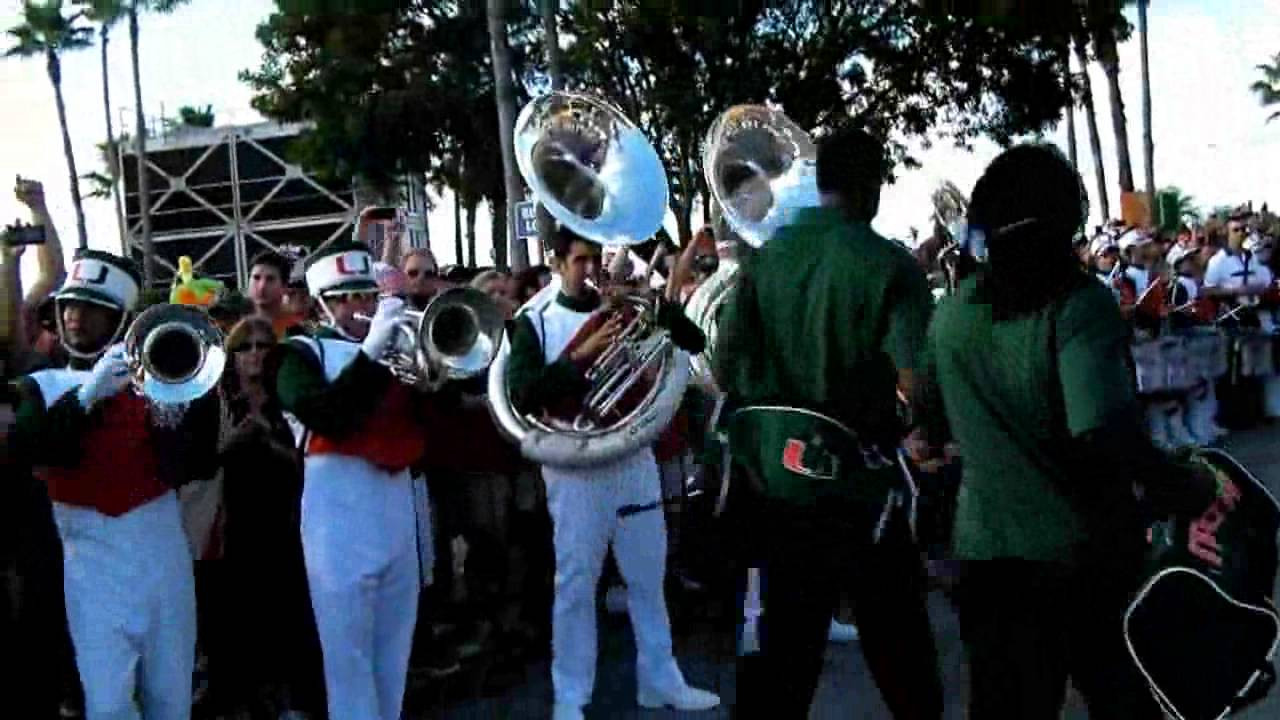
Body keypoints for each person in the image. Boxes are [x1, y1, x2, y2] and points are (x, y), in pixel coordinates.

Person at [915, 144, 1219, 719]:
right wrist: (1186, 487)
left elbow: (928, 421)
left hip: (984, 558)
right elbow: (1102, 431)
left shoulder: (951, 312)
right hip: (1081, 558)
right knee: (1125, 701)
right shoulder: (1079, 306)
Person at [715, 127, 942, 719]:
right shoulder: (888, 263)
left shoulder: (763, 262)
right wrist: (922, 426)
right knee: (903, 658)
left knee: (783, 661)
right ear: (871, 187)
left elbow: (725, 368)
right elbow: (917, 383)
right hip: (859, 489)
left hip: (779, 491)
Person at [505, 227, 719, 720]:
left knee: (648, 575)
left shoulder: (620, 309)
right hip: (574, 467)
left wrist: (659, 308)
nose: (590, 270)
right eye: (580, 260)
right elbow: (523, 395)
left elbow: (693, 340)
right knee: (576, 585)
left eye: (594, 259)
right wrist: (580, 357)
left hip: (631, 459)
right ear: (555, 261)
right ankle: (571, 695)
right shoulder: (533, 322)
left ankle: (661, 679)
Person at [6, 250, 220, 720]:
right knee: (106, 704)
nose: (75, 317)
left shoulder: (153, 378)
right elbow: (28, 449)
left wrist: (185, 408)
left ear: (119, 318)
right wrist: (86, 396)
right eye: (68, 306)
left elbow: (198, 463)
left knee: (170, 696)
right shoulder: (40, 385)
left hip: (161, 549)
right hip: (88, 560)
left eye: (91, 309)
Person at [273, 242, 438, 720]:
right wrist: (371, 352)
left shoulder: (391, 350)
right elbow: (329, 415)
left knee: (394, 654)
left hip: (395, 502)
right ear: (323, 302)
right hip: (336, 513)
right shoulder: (299, 354)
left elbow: (429, 422)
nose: (360, 306)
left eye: (365, 295)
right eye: (345, 297)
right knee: (347, 660)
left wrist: (432, 376)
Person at [247, 250, 303, 338]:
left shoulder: (296, 333)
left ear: (284, 287)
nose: (262, 286)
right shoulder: (238, 330)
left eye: (270, 279)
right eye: (256, 278)